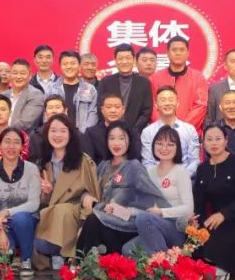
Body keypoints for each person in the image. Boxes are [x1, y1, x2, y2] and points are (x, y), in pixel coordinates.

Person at [76, 122, 169, 255]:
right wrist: (86, 197)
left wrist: (118, 211)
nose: (116, 143)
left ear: (129, 141)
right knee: (88, 220)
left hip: (125, 226)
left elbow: (154, 204)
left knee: (93, 221)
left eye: (121, 138)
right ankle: (80, 262)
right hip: (102, 218)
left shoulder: (134, 167)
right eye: (112, 138)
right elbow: (90, 191)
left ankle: (79, 263)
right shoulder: (103, 165)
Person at [191, 125, 235, 280]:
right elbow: (199, 202)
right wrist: (197, 222)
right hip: (215, 221)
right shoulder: (202, 168)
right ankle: (218, 269)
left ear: (226, 140)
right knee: (197, 241)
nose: (214, 143)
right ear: (203, 143)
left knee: (222, 241)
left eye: (218, 139)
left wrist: (224, 214)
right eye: (209, 139)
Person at [35, 114, 101, 269]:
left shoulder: (83, 161)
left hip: (74, 215)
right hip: (49, 218)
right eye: (53, 130)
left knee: (62, 210)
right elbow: (42, 202)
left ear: (70, 134)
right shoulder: (42, 162)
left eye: (63, 131)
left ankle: (66, 255)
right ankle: (58, 254)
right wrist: (47, 192)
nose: (58, 135)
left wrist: (85, 201)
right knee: (40, 244)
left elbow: (92, 195)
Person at [0, 129, 42, 276]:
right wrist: (0, 232)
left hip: (26, 223)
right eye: (7, 142)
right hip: (2, 224)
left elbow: (34, 204)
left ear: (22, 147)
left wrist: (8, 212)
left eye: (16, 142)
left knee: (20, 218)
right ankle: (13, 256)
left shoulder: (31, 169)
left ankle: (26, 260)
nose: (11, 146)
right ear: (0, 145)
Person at [128, 126, 194, 256]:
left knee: (144, 218)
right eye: (159, 143)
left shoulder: (180, 172)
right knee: (128, 249)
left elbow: (188, 209)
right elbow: (142, 204)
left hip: (175, 228)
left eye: (170, 144)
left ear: (177, 148)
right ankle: (163, 257)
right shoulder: (148, 171)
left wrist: (162, 212)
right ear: (153, 145)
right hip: (151, 225)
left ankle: (165, 262)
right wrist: (124, 210)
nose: (164, 148)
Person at [149, 36, 209, 130]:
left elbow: (200, 106)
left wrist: (182, 128)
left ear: (188, 53)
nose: (178, 53)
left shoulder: (198, 78)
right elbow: (152, 106)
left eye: (182, 50)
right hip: (161, 132)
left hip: (188, 132)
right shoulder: (155, 78)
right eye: (174, 50)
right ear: (167, 53)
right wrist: (164, 127)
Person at [140, 86, 200, 177]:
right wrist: (161, 180)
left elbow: (194, 161)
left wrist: (181, 178)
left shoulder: (189, 130)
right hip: (157, 181)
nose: (167, 103)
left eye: (171, 100)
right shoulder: (148, 132)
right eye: (163, 100)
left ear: (177, 103)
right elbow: (147, 162)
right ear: (156, 105)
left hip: (185, 179)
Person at [97, 44, 152, 134]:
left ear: (134, 60)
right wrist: (111, 128)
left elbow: (146, 111)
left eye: (128, 58)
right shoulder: (105, 82)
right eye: (120, 58)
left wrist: (133, 130)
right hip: (109, 133)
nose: (124, 61)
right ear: (115, 61)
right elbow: (100, 108)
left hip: (136, 133)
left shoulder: (144, 82)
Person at [84, 93, 140, 164]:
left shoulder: (132, 132)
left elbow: (136, 157)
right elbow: (88, 161)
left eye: (117, 107)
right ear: (102, 110)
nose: (113, 110)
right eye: (108, 107)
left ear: (123, 110)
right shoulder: (91, 133)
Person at [51, 50, 98, 133]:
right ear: (60, 66)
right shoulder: (51, 89)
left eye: (73, 63)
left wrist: (84, 135)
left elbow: (93, 114)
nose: (69, 66)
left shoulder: (90, 89)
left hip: (83, 135)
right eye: (65, 64)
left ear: (79, 66)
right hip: (58, 135)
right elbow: (47, 115)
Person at [5, 58, 45, 131]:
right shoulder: (3, 95)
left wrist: (1, 130)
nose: (18, 77)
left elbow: (25, 123)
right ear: (10, 75)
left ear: (29, 75)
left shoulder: (36, 95)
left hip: (23, 136)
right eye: (15, 73)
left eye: (22, 73)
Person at [28, 96, 69, 162]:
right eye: (50, 108)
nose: (54, 111)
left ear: (65, 111)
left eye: (58, 107)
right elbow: (33, 159)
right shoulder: (37, 135)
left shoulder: (74, 132)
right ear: (45, 113)